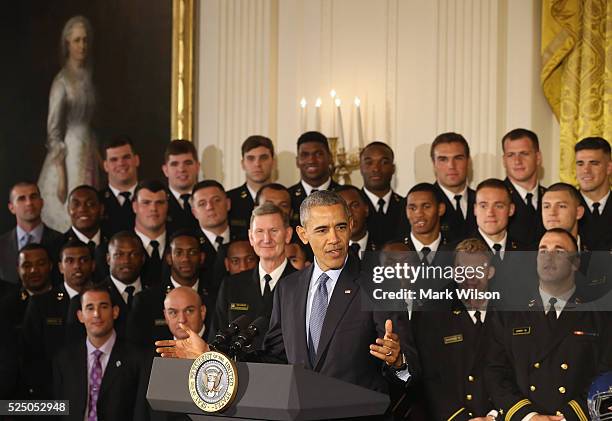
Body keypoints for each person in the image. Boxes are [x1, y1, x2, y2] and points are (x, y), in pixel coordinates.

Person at [156, 191, 415, 397]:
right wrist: (212, 357)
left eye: (341, 227)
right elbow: (273, 359)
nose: (334, 238)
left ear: (351, 227)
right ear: (303, 235)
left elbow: (412, 369)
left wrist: (398, 361)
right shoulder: (289, 289)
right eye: (322, 230)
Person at [485, 228, 612, 420]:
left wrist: (569, 416)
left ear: (576, 262)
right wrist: (528, 416)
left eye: (559, 251)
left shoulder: (599, 314)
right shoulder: (509, 312)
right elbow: (495, 371)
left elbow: (606, 373)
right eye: (543, 250)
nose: (548, 257)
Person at [411, 238, 497, 420]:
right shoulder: (432, 315)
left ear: (490, 272)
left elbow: (514, 372)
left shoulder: (507, 314)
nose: (470, 277)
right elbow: (430, 377)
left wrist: (494, 415)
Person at [53, 284, 151, 421]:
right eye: (90, 308)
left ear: (115, 312)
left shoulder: (137, 358)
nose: (96, 314)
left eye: (103, 307)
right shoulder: (64, 359)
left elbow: (141, 412)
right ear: (80, 316)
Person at [38, 16, 98, 232]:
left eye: (85, 40)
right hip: (69, 153)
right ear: (67, 44)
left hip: (88, 148)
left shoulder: (87, 77)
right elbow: (53, 131)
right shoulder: (62, 81)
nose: (82, 46)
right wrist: (62, 174)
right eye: (76, 41)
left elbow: (89, 123)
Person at [21, 240, 94, 399]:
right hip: (50, 390)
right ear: (60, 266)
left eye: (83, 260)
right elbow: (30, 352)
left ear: (93, 264)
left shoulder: (104, 300)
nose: (77, 266)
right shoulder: (41, 303)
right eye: (69, 261)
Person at [214, 203, 295, 346]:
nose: (266, 239)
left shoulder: (304, 284)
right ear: (251, 237)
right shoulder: (231, 285)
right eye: (259, 231)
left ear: (288, 235)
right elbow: (217, 340)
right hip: (238, 367)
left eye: (274, 231)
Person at [128, 230, 213, 349]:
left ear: (201, 257)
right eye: (178, 253)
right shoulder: (146, 299)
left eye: (192, 252)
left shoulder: (215, 296)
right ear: (169, 258)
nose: (185, 259)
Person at [0, 181, 62, 284]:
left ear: (41, 203)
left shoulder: (61, 241)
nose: (29, 203)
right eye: (21, 199)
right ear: (11, 208)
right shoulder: (1, 245)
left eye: (33, 197)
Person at [501, 129, 547, 246]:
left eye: (524, 154)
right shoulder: (494, 199)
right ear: (504, 161)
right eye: (511, 155)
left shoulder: (551, 197)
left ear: (538, 158)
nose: (517, 161)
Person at [191, 180, 238, 292]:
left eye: (216, 200)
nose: (210, 207)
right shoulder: (190, 243)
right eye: (202, 203)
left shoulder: (245, 238)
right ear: (194, 212)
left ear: (228, 204)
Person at [359, 141, 409, 246]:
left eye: (384, 162)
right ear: (361, 168)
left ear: (393, 168)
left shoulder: (406, 206)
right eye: (369, 163)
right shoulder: (352, 207)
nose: (376, 169)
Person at [431, 132, 477, 243]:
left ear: (468, 161)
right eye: (443, 159)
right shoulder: (420, 204)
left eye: (458, 158)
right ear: (434, 163)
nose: (451, 166)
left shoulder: (482, 201)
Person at [99, 231, 146, 337]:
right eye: (119, 255)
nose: (126, 261)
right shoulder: (96, 293)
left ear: (142, 258)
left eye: (133, 254)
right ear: (108, 259)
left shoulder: (155, 293)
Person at [227, 135, 275, 238]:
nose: (257, 164)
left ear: (273, 162)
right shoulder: (229, 199)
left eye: (263, 158)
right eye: (250, 158)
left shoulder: (285, 198)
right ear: (242, 163)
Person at [288, 132, 339, 226]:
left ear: (330, 158)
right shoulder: (287, 198)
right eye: (305, 155)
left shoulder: (343, 195)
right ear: (297, 161)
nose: (311, 160)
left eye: (318, 154)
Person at [0, 243, 54, 331]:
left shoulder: (66, 299)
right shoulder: (7, 307)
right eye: (27, 266)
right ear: (18, 269)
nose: (34, 270)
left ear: (50, 265)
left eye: (40, 264)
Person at [64, 185, 109, 282]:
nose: (82, 209)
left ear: (101, 209)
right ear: (68, 210)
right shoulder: (57, 246)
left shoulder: (113, 243)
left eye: (90, 204)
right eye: (76, 204)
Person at [574, 137, 611, 250]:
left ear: (609, 168)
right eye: (580, 164)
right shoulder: (565, 207)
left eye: (594, 163)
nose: (586, 170)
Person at [133, 180, 171, 286]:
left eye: (160, 202)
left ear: (167, 205)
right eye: (146, 203)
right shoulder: (120, 244)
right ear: (135, 206)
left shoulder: (178, 242)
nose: (153, 208)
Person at [100, 136, 140, 236]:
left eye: (126, 157)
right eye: (114, 159)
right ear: (105, 166)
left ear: (136, 160)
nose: (121, 163)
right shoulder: (97, 201)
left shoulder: (154, 199)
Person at [162, 139, 200, 232]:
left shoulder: (210, 202)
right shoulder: (159, 202)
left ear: (198, 167)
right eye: (174, 164)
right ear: (165, 170)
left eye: (187, 163)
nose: (181, 169)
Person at [335, 184, 377, 258]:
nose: (350, 213)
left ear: (366, 209)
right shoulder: (330, 251)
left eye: (354, 206)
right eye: (343, 208)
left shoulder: (383, 248)